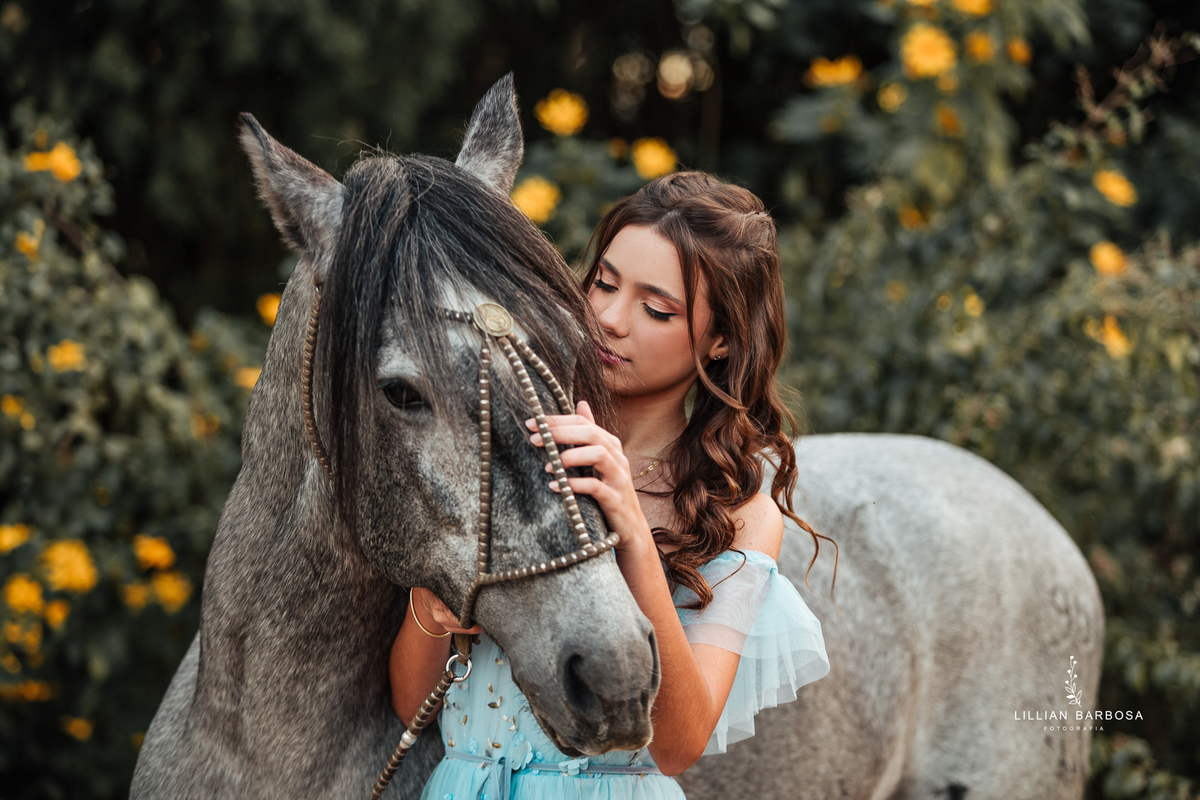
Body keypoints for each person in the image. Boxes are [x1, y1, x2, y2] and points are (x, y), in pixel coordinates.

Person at [390, 171, 834, 799]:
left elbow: (679, 745)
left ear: (721, 341)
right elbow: (414, 706)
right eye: (603, 281)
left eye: (656, 309)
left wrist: (631, 528)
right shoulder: (508, 443)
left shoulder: (737, 514)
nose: (609, 318)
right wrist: (431, 609)